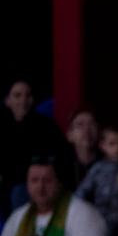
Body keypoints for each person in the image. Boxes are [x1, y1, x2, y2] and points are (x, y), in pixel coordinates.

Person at [0, 79, 68, 214]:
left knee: (19, 192)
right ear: (7, 101)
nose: (23, 100)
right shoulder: (3, 127)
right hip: (8, 186)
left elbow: (59, 158)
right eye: (17, 95)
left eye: (28, 95)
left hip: (36, 184)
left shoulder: (46, 126)